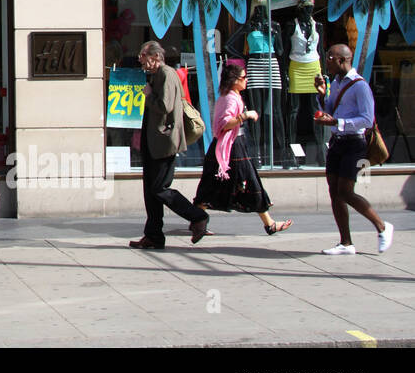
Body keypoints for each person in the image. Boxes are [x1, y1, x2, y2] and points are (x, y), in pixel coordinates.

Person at [129, 40, 210, 249]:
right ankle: (153, 235)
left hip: (164, 142)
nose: (141, 60)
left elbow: (164, 105)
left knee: (159, 189)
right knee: (150, 191)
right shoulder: (158, 75)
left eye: (143, 56)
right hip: (153, 142)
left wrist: (148, 95)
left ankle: (197, 216)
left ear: (155, 57)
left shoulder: (166, 74)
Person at [193, 63, 292, 235]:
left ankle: (197, 222)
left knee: (212, 184)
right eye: (243, 78)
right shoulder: (230, 98)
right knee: (248, 182)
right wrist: (245, 115)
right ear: (234, 80)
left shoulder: (231, 95)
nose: (246, 81)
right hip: (231, 147)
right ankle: (269, 224)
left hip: (228, 145)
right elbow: (224, 123)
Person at [315, 45, 394, 255]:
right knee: (334, 191)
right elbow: (330, 110)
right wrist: (322, 96)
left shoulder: (360, 86)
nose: (327, 62)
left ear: (342, 60)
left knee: (346, 192)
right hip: (337, 142)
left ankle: (383, 227)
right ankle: (346, 243)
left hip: (355, 143)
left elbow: (367, 119)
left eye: (330, 58)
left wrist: (338, 122)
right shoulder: (337, 83)